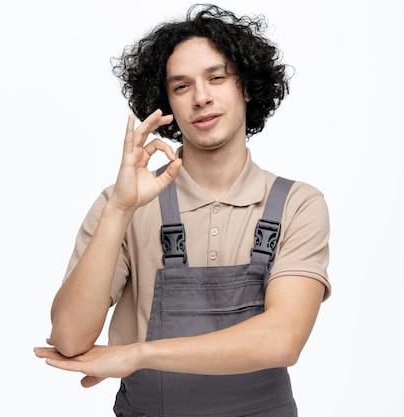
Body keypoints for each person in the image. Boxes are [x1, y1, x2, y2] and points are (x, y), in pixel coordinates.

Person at [34, 4, 331, 416]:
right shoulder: (125, 202)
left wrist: (139, 354)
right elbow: (68, 339)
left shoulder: (297, 204)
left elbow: (282, 339)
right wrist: (121, 208)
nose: (202, 97)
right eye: (181, 86)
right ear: (167, 103)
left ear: (245, 86)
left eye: (216, 77)